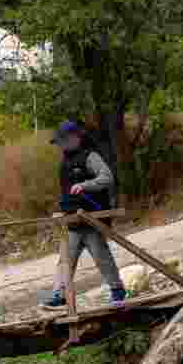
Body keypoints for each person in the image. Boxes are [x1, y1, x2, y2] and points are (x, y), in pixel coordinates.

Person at [41, 120, 127, 310]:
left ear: (75, 138)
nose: (60, 145)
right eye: (58, 142)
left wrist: (85, 185)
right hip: (72, 219)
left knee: (100, 255)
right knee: (65, 259)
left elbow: (107, 178)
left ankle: (117, 290)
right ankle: (60, 295)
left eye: (63, 141)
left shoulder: (91, 156)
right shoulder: (65, 162)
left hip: (91, 217)